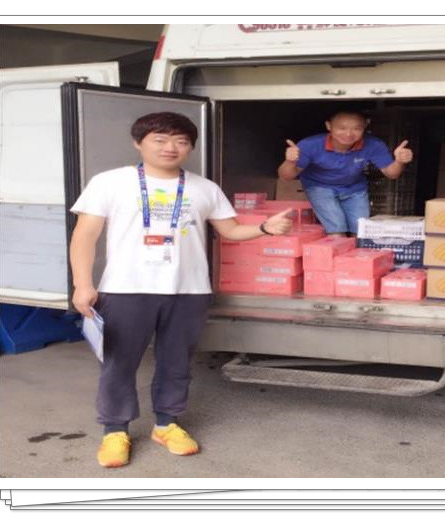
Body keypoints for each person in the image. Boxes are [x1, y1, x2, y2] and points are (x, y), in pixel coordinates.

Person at [69, 111, 293, 468]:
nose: (170, 147)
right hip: (126, 288)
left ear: (190, 147)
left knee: (176, 361)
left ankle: (166, 424)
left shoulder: (205, 188)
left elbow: (231, 230)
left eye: (180, 141)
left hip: (189, 289)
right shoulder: (110, 182)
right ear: (138, 143)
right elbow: (85, 235)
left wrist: (264, 228)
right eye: (160, 140)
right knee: (119, 363)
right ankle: (115, 430)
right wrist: (83, 284)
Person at [277, 111, 413, 235]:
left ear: (365, 127)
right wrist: (290, 161)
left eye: (356, 129)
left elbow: (391, 173)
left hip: (355, 188)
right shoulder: (310, 145)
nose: (348, 134)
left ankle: (355, 255)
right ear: (328, 126)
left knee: (361, 231)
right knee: (337, 229)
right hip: (319, 187)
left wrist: (399, 162)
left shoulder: (373, 145)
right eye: (342, 128)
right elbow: (286, 176)